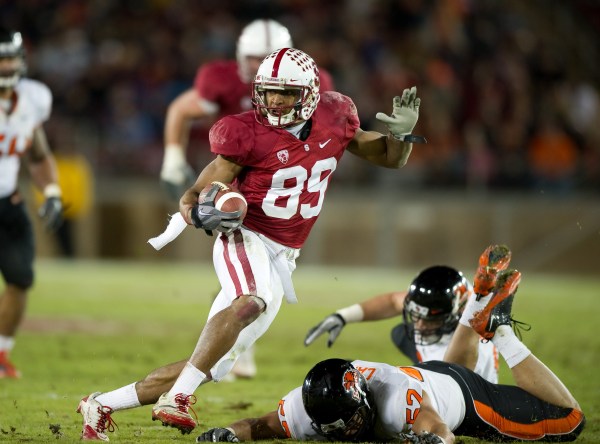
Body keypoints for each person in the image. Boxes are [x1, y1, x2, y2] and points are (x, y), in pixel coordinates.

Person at [76, 47, 426, 440]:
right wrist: (201, 215)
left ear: (309, 93)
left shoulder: (336, 116)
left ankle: (101, 404)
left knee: (216, 362)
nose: (275, 100)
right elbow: (191, 197)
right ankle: (179, 398)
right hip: (244, 234)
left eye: (286, 92)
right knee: (252, 298)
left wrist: (401, 135)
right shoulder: (246, 132)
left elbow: (390, 158)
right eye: (269, 90)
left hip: (284, 254)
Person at [195, 245, 586, 443]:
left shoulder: (399, 403)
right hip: (435, 370)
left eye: (349, 422)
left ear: (363, 399)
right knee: (434, 355)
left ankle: (501, 332)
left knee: (570, 421)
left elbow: (441, 432)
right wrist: (226, 433)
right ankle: (479, 306)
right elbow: (258, 426)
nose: (346, 434)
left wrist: (432, 439)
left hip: (464, 398)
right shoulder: (306, 405)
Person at [159, 19, 334, 380]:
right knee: (249, 284)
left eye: (266, 57)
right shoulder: (220, 77)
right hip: (233, 172)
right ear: (240, 56)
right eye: (254, 58)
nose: (259, 65)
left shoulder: (312, 82)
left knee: (248, 286)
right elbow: (180, 109)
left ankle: (222, 353)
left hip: (277, 174)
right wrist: (173, 159)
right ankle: (214, 359)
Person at [304, 262, 501, 383]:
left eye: (429, 320)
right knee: (400, 332)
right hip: (444, 365)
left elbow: (444, 389)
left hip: (460, 389)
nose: (419, 326)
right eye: (417, 316)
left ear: (456, 313)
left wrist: (361, 372)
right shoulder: (454, 303)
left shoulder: (466, 348)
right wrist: (343, 316)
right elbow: (393, 301)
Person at [0, 28, 63, 378]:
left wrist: (51, 191)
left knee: (21, 277)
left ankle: (1, 353)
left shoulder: (33, 97)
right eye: (0, 59)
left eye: (10, 58)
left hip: (7, 201)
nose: (6, 66)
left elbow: (37, 153)